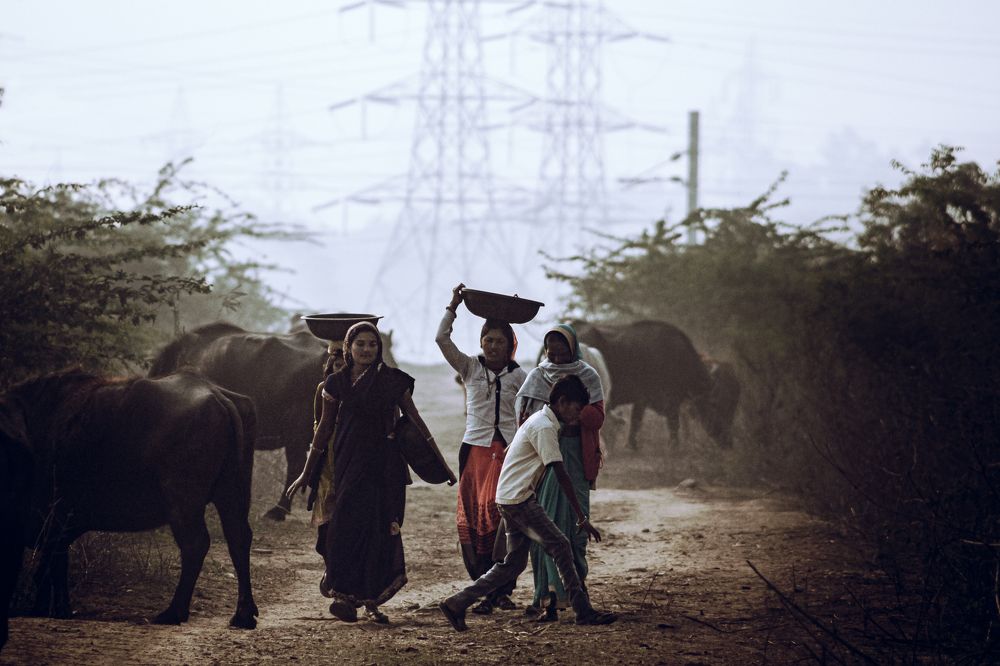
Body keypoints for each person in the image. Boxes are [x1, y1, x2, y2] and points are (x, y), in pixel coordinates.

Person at [438, 375, 617, 632]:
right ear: (563, 402)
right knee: (561, 546)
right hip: (519, 500)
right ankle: (583, 611)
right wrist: (581, 517)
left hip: (511, 497)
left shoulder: (539, 420)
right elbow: (559, 471)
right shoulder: (544, 427)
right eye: (577, 409)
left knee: (513, 564)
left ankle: (457, 602)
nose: (579, 416)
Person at [286, 321, 437, 624]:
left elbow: (415, 420)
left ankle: (370, 601)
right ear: (348, 347)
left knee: (380, 529)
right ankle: (344, 596)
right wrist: (306, 472)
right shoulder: (335, 384)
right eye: (361, 344)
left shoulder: (393, 381)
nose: (367, 349)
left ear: (379, 349)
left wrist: (437, 461)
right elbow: (323, 429)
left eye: (372, 344)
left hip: (383, 466)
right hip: (347, 464)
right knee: (343, 527)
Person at [436, 283, 527, 615]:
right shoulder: (469, 367)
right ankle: (484, 588)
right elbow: (441, 339)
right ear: (480, 342)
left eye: (499, 341)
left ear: (510, 345)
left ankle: (501, 590)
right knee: (474, 520)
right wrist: (453, 305)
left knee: (502, 518)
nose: (492, 345)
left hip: (508, 455)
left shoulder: (522, 378)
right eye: (487, 340)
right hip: (474, 452)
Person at [515, 324, 606, 621]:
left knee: (576, 530)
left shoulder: (589, 375)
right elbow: (524, 417)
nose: (555, 355)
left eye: (561, 349)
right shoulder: (537, 376)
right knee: (547, 527)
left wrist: (576, 418)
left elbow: (598, 415)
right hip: (544, 457)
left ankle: (578, 592)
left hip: (578, 456)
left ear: (573, 348)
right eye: (550, 350)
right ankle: (547, 598)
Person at [307, 343, 346, 565]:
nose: (341, 370)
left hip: (352, 455)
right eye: (337, 365)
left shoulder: (361, 388)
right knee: (325, 530)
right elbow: (318, 424)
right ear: (330, 367)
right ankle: (332, 568)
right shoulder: (324, 388)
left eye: (345, 365)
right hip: (327, 460)